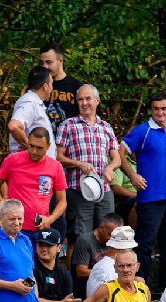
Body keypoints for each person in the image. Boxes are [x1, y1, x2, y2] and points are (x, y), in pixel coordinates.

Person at [122, 94, 166, 283]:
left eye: (163, 108)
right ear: (151, 110)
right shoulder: (143, 130)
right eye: (156, 109)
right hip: (150, 197)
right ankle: (139, 288)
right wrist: (132, 175)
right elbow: (120, 150)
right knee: (146, 243)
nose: (160, 112)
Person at [57, 85, 119, 241]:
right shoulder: (68, 125)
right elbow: (58, 157)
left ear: (97, 101)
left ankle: (103, 266)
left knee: (108, 236)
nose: (84, 103)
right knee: (79, 238)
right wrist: (78, 164)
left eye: (88, 98)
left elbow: (117, 158)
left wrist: (110, 168)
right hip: (78, 190)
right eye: (80, 99)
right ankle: (79, 266)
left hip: (104, 190)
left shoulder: (106, 127)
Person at [0, 127, 67, 237]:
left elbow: (62, 202)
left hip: (40, 227)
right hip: (14, 227)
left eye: (39, 148)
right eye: (31, 145)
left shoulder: (55, 166)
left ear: (48, 146)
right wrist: (2, 202)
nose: (34, 151)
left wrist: (50, 219)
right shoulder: (13, 160)